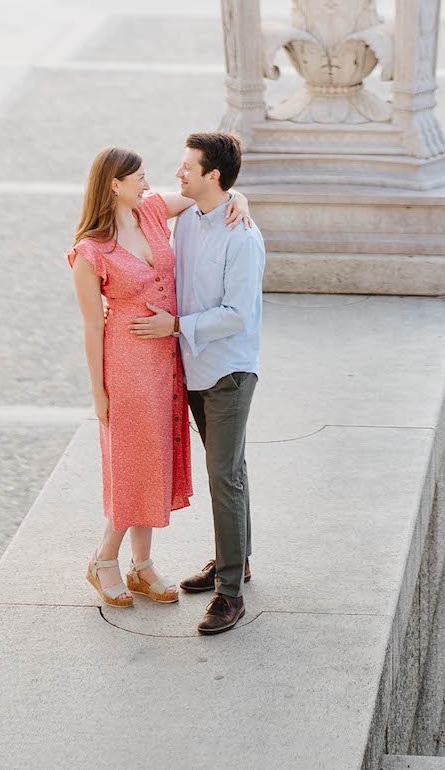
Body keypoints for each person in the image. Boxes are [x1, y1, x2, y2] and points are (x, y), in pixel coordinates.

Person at [67, 145, 249, 608]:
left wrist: (241, 197)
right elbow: (91, 325)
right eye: (141, 177)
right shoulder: (90, 251)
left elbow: (211, 193)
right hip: (126, 364)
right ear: (114, 184)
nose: (150, 184)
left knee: (154, 460)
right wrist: (98, 391)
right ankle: (104, 559)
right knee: (134, 463)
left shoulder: (150, 211)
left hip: (167, 359)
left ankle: (142, 565)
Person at [131, 129, 265, 636]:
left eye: (187, 166)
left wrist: (176, 326)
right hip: (191, 368)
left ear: (213, 175)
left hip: (228, 372)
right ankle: (238, 560)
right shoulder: (187, 214)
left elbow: (235, 314)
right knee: (230, 470)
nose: (177, 172)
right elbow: (129, 199)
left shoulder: (243, 237)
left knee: (223, 475)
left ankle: (229, 592)